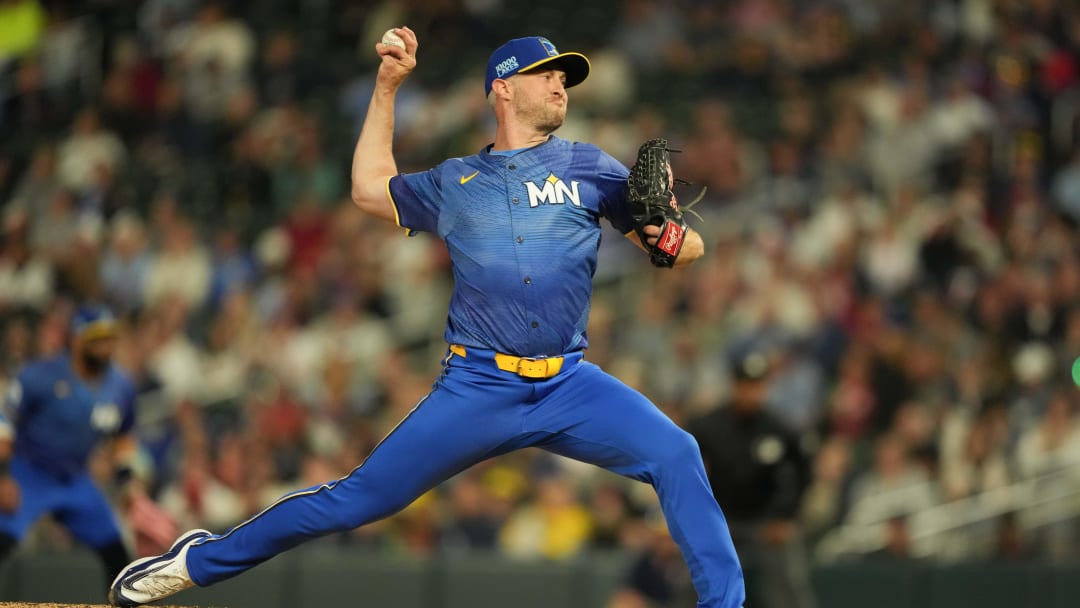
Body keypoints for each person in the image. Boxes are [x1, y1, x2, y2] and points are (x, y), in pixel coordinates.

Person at [109, 29, 745, 608]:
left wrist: (666, 232)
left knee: (676, 452)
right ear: (503, 87)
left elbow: (684, 248)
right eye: (546, 72)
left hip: (569, 384)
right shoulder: (456, 181)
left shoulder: (590, 167)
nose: (560, 84)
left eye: (564, 77)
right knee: (357, 500)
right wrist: (387, 87)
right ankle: (198, 562)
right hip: (479, 387)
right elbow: (368, 188)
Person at [0, 306, 140, 593]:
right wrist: (2, 477)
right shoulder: (42, 375)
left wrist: (128, 484)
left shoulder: (121, 385)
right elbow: (4, 423)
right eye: (97, 339)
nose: (105, 347)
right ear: (77, 339)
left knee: (119, 557)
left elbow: (123, 437)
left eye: (109, 339)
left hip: (76, 478)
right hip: (29, 473)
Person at [686, 351, 815, 608]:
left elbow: (804, 471)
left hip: (765, 521)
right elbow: (684, 468)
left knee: (789, 584)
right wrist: (696, 517)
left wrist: (786, 516)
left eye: (757, 386)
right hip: (720, 520)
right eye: (745, 385)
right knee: (690, 578)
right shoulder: (708, 425)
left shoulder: (778, 427)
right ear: (734, 385)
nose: (750, 392)